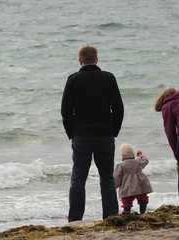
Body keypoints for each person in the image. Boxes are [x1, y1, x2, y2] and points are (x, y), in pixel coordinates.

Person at [61, 44, 124, 222]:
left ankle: (75, 219)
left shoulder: (73, 80)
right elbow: (118, 108)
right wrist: (114, 130)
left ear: (80, 60)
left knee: (78, 178)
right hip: (105, 134)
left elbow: (66, 111)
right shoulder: (108, 78)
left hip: (81, 135)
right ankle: (111, 217)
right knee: (107, 178)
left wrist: (71, 133)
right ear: (96, 59)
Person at [114, 143, 153, 214]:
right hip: (140, 187)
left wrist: (113, 186)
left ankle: (126, 211)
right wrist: (140, 156)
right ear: (133, 152)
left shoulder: (120, 165)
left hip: (127, 188)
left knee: (126, 201)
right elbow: (145, 161)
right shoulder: (138, 161)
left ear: (122, 154)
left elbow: (117, 177)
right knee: (143, 198)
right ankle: (142, 212)